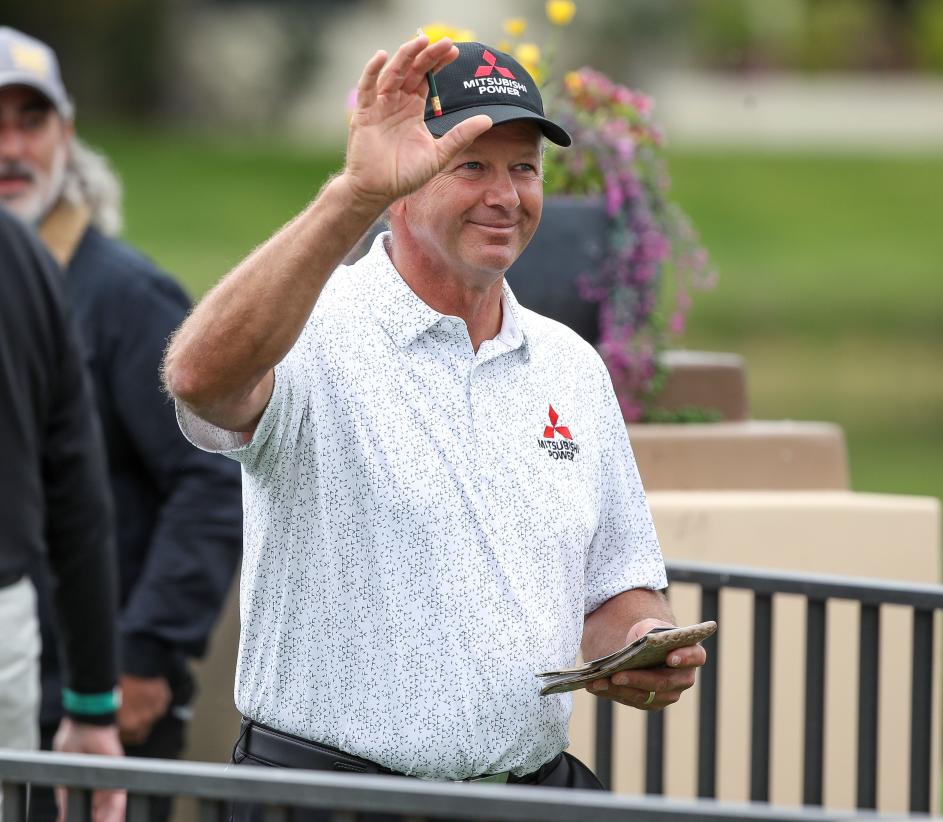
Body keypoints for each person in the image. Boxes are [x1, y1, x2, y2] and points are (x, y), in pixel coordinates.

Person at [163, 36, 707, 815]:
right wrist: (348, 194)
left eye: (523, 168)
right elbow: (198, 379)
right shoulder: (312, 331)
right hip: (324, 798)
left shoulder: (570, 365)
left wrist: (642, 639)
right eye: (470, 166)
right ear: (402, 188)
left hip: (528, 797)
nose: (505, 194)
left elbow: (614, 587)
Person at [0, 27, 243, 818]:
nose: (11, 148)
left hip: (90, 708)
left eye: (30, 122)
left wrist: (141, 658)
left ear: (66, 137)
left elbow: (209, 483)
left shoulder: (126, 296)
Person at [0, 206, 125, 822]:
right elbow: (77, 490)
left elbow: (77, 492)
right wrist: (93, 705)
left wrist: (94, 702)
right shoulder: (23, 253)